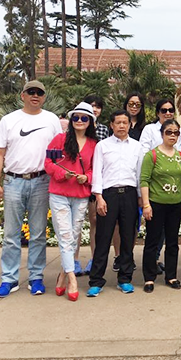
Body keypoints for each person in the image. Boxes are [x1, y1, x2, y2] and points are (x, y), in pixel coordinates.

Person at [0, 80, 62, 298]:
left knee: (38, 233)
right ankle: (9, 279)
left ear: (44, 96)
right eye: (30, 92)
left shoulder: (51, 120)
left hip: (41, 181)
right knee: (11, 234)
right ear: (22, 95)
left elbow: (58, 152)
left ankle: (36, 277)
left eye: (39, 92)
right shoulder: (9, 120)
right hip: (14, 181)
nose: (35, 95)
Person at [87, 110, 144, 297]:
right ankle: (96, 281)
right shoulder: (102, 146)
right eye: (118, 122)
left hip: (129, 194)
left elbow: (138, 175)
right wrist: (99, 197)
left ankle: (125, 279)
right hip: (108, 195)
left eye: (125, 122)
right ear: (111, 125)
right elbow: (97, 173)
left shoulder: (137, 147)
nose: (121, 126)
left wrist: (140, 198)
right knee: (103, 238)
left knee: (128, 238)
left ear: (129, 125)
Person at [44, 102, 98, 301]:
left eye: (84, 118)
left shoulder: (94, 144)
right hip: (59, 192)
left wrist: (88, 177)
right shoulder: (59, 140)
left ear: (90, 121)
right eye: (76, 117)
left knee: (73, 237)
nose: (80, 121)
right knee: (65, 236)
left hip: (81, 195)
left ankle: (62, 276)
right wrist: (62, 174)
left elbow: (96, 169)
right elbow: (48, 163)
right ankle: (72, 279)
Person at [139, 119, 181, 293]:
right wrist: (146, 204)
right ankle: (149, 277)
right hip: (156, 203)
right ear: (162, 134)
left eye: (176, 133)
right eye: (169, 132)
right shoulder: (152, 155)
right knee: (152, 241)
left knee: (173, 242)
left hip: (175, 204)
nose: (172, 135)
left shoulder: (180, 156)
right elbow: (144, 180)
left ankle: (171, 275)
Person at [79, 94, 114, 276]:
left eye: (98, 106)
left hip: (95, 179)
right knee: (75, 223)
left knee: (94, 220)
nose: (94, 109)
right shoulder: (78, 124)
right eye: (91, 105)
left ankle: (94, 258)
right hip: (77, 179)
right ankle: (74, 259)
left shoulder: (103, 130)